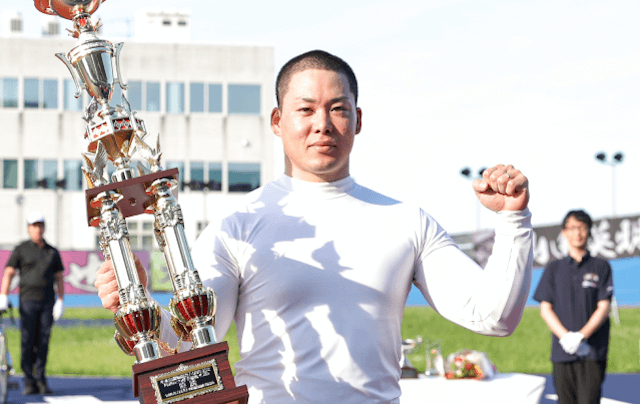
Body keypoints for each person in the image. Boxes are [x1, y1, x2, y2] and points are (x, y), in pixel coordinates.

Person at [96, 50, 533, 403]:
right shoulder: (238, 224)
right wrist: (132, 303)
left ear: (358, 120)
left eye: (337, 109)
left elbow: (493, 316)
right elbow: (193, 345)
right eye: (305, 109)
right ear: (277, 121)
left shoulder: (406, 221)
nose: (321, 124)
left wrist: (513, 220)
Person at [533, 210, 613, 404]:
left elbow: (604, 307)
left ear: (589, 231)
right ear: (564, 232)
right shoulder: (554, 268)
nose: (578, 233)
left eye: (583, 228)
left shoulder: (601, 266)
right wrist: (566, 337)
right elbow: (545, 308)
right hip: (563, 351)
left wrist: (581, 336)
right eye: (573, 228)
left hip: (592, 351)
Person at [0, 212, 65, 396]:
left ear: (43, 228)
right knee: (27, 341)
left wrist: (60, 300)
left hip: (47, 303)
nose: (37, 229)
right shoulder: (21, 249)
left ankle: (41, 379)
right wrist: (3, 296)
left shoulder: (52, 251)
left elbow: (59, 277)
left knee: (43, 342)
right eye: (34, 225)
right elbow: (9, 272)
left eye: (40, 225)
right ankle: (28, 380)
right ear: (29, 228)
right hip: (27, 301)